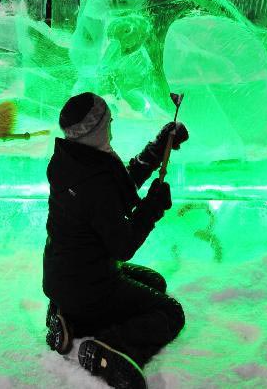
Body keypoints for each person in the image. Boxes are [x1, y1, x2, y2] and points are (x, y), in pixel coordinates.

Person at [43, 91, 188, 388]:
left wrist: (159, 148)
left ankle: (68, 317)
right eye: (109, 122)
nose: (111, 128)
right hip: (90, 286)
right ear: (96, 129)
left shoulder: (73, 160)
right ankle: (110, 348)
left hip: (66, 279)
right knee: (170, 311)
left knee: (155, 283)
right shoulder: (93, 179)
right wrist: (152, 207)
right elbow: (124, 245)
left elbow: (117, 193)